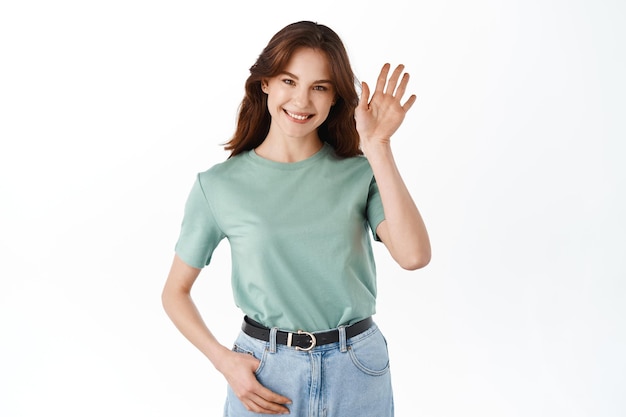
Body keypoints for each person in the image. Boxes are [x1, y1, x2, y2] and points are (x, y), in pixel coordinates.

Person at [161, 20, 431, 416]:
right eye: (289, 81)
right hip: (264, 374)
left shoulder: (361, 173)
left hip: (356, 369)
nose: (302, 100)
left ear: (337, 97)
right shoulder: (219, 186)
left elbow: (413, 256)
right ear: (265, 82)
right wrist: (223, 361)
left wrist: (378, 146)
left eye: (319, 87)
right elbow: (174, 293)